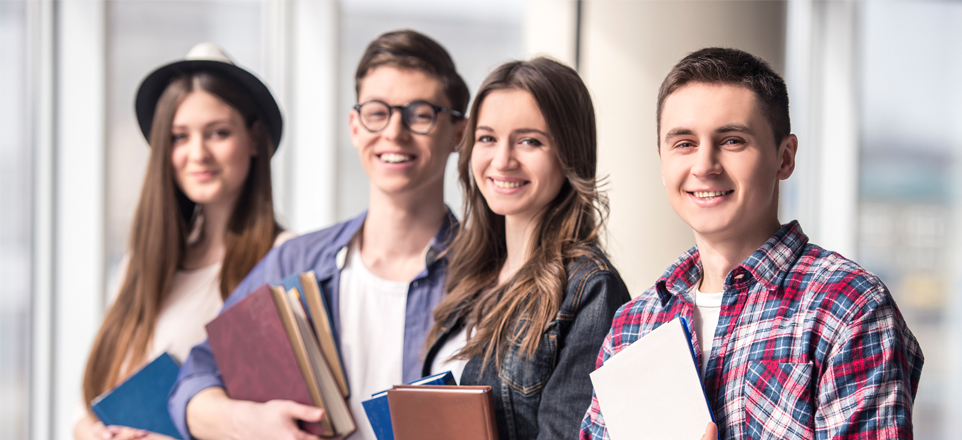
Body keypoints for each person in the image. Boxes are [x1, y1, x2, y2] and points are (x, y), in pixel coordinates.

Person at [580, 47, 924, 440]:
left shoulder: (847, 306)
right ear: (662, 160)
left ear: (785, 158)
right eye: (684, 143)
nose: (704, 165)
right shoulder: (632, 328)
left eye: (731, 141)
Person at [168, 30, 469, 440]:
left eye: (420, 114)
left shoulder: (492, 274)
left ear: (459, 133)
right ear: (354, 126)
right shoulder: (295, 261)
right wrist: (250, 423)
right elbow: (193, 382)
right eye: (377, 112)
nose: (394, 132)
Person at [74, 43, 293, 440]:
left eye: (219, 133)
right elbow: (88, 405)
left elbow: (287, 421)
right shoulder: (141, 263)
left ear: (256, 138)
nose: (197, 154)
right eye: (179, 137)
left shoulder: (284, 260)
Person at [423, 57, 631, 440]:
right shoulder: (471, 273)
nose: (502, 160)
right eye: (487, 138)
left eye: (529, 141)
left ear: (569, 152)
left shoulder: (591, 290)